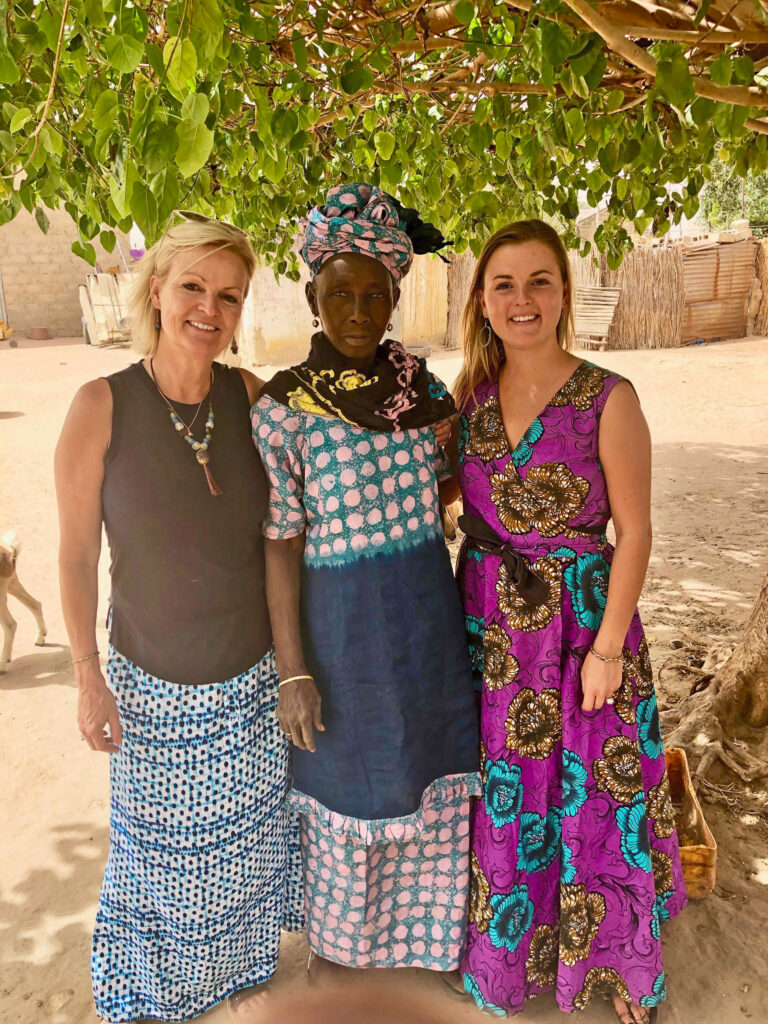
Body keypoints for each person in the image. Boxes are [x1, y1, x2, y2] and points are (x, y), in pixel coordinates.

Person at [54, 215, 303, 1024]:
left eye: (228, 294)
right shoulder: (100, 406)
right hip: (150, 683)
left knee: (241, 852)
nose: (210, 308)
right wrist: (88, 677)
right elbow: (76, 557)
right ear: (155, 290)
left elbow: (301, 517)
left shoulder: (252, 398)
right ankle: (155, 993)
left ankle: (232, 976)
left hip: (250, 685)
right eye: (192, 286)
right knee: (158, 862)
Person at [450, 220, 686, 1023]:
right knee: (514, 799)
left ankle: (621, 970)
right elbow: (440, 497)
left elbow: (637, 532)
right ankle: (508, 966)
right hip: (495, 639)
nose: (523, 300)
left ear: (564, 294)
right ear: (482, 301)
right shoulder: (470, 401)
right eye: (505, 284)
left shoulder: (608, 397)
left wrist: (610, 649)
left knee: (591, 801)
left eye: (539, 282)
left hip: (583, 631)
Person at [252, 183, 480, 979]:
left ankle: (428, 945)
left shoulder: (429, 397)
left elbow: (453, 485)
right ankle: (343, 956)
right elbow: (279, 545)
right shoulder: (284, 409)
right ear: (312, 295)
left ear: (394, 296)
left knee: (430, 767)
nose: (357, 309)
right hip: (339, 638)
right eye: (339, 292)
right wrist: (295, 670)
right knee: (350, 782)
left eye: (374, 292)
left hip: (426, 626)